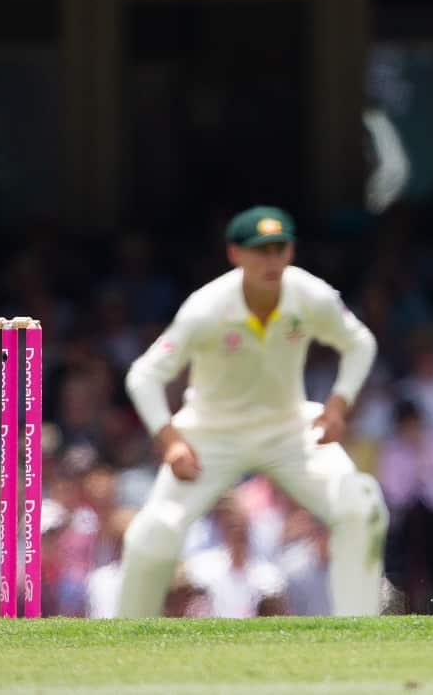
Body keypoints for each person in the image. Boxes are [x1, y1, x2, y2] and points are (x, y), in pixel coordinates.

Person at [116, 206, 388, 617]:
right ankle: (124, 640)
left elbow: (360, 343)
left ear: (291, 251)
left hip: (290, 430)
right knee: (155, 533)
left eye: (279, 249)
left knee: (361, 506)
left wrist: (338, 405)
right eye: (259, 251)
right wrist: (171, 442)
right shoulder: (206, 307)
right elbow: (144, 375)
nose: (271, 260)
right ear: (235, 255)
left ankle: (360, 631)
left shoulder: (310, 295)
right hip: (211, 436)